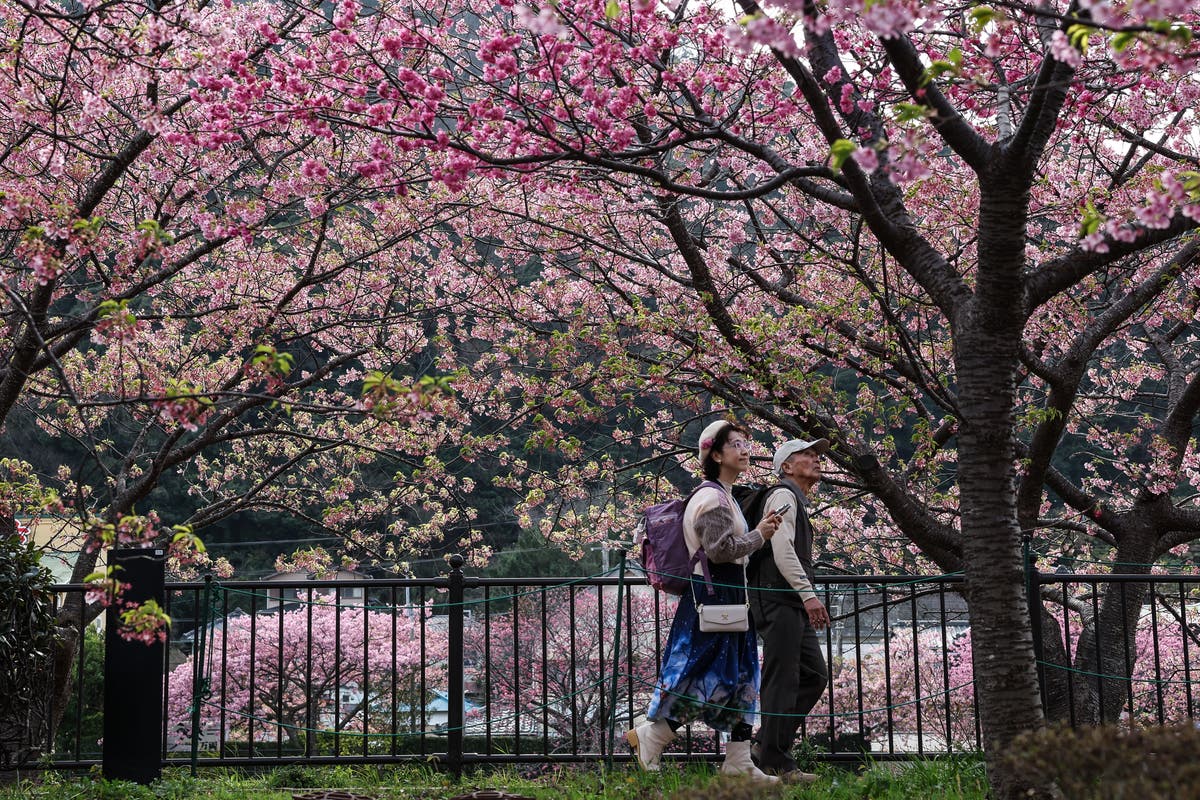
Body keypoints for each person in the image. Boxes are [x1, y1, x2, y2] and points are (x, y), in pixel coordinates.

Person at [626, 419, 783, 782]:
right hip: (712, 597)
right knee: (702, 676)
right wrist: (760, 535)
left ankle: (739, 761)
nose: (745, 449)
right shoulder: (712, 498)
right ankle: (653, 736)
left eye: (746, 443)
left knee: (741, 676)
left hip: (724, 597)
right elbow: (720, 550)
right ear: (714, 454)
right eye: (736, 444)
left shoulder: (722, 494)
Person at [748, 438, 832, 783]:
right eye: (806, 455)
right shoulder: (783, 496)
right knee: (781, 678)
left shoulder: (793, 498)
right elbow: (783, 551)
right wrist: (809, 595)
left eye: (816, 454)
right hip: (778, 598)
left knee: (813, 675)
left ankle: (766, 747)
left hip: (788, 601)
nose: (815, 459)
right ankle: (776, 762)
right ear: (786, 466)